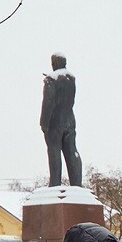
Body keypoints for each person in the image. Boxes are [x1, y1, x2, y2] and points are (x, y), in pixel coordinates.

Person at [41, 52, 82, 187]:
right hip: (70, 119)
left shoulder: (51, 80)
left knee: (54, 150)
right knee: (72, 150)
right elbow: (72, 100)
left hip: (55, 121)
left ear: (54, 64)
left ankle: (55, 184)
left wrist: (44, 123)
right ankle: (77, 184)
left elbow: (48, 102)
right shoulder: (71, 79)